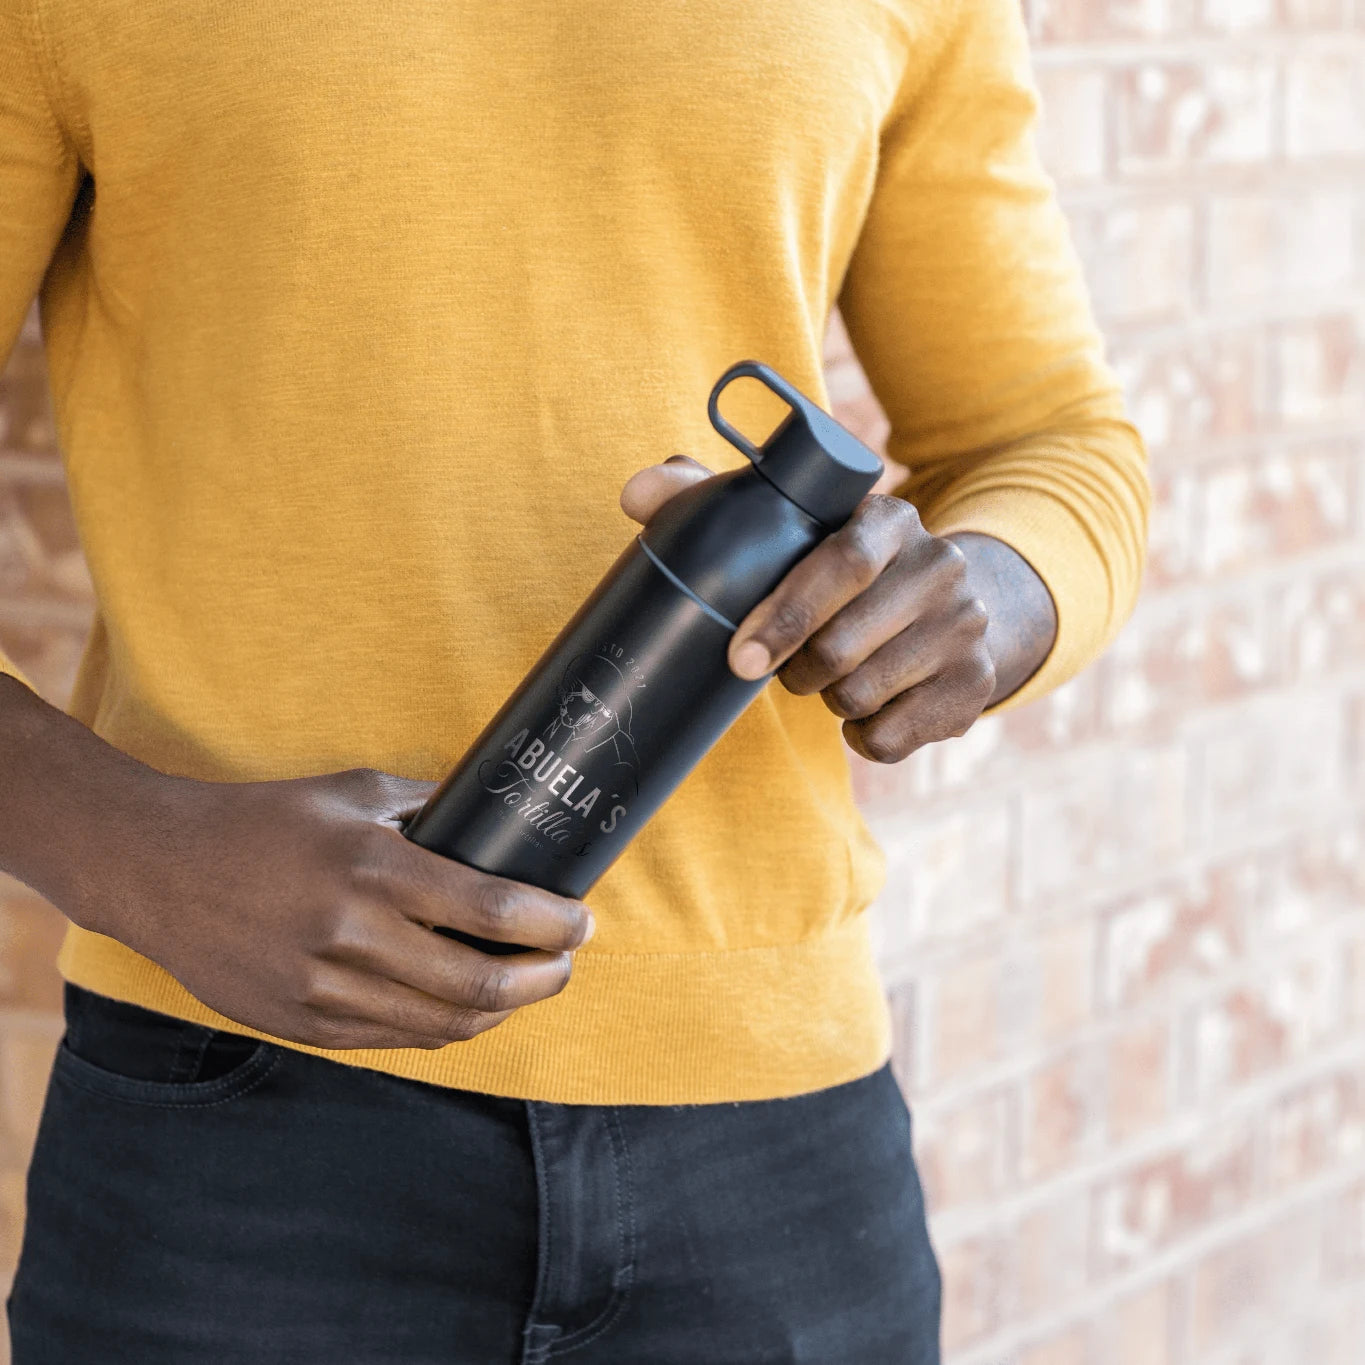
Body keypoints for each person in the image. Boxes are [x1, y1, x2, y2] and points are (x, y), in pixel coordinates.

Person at [0, 0, 1148, 1360]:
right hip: (236, 1117)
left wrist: (991, 598)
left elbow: (1047, 434)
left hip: (773, 1141)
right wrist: (141, 856)